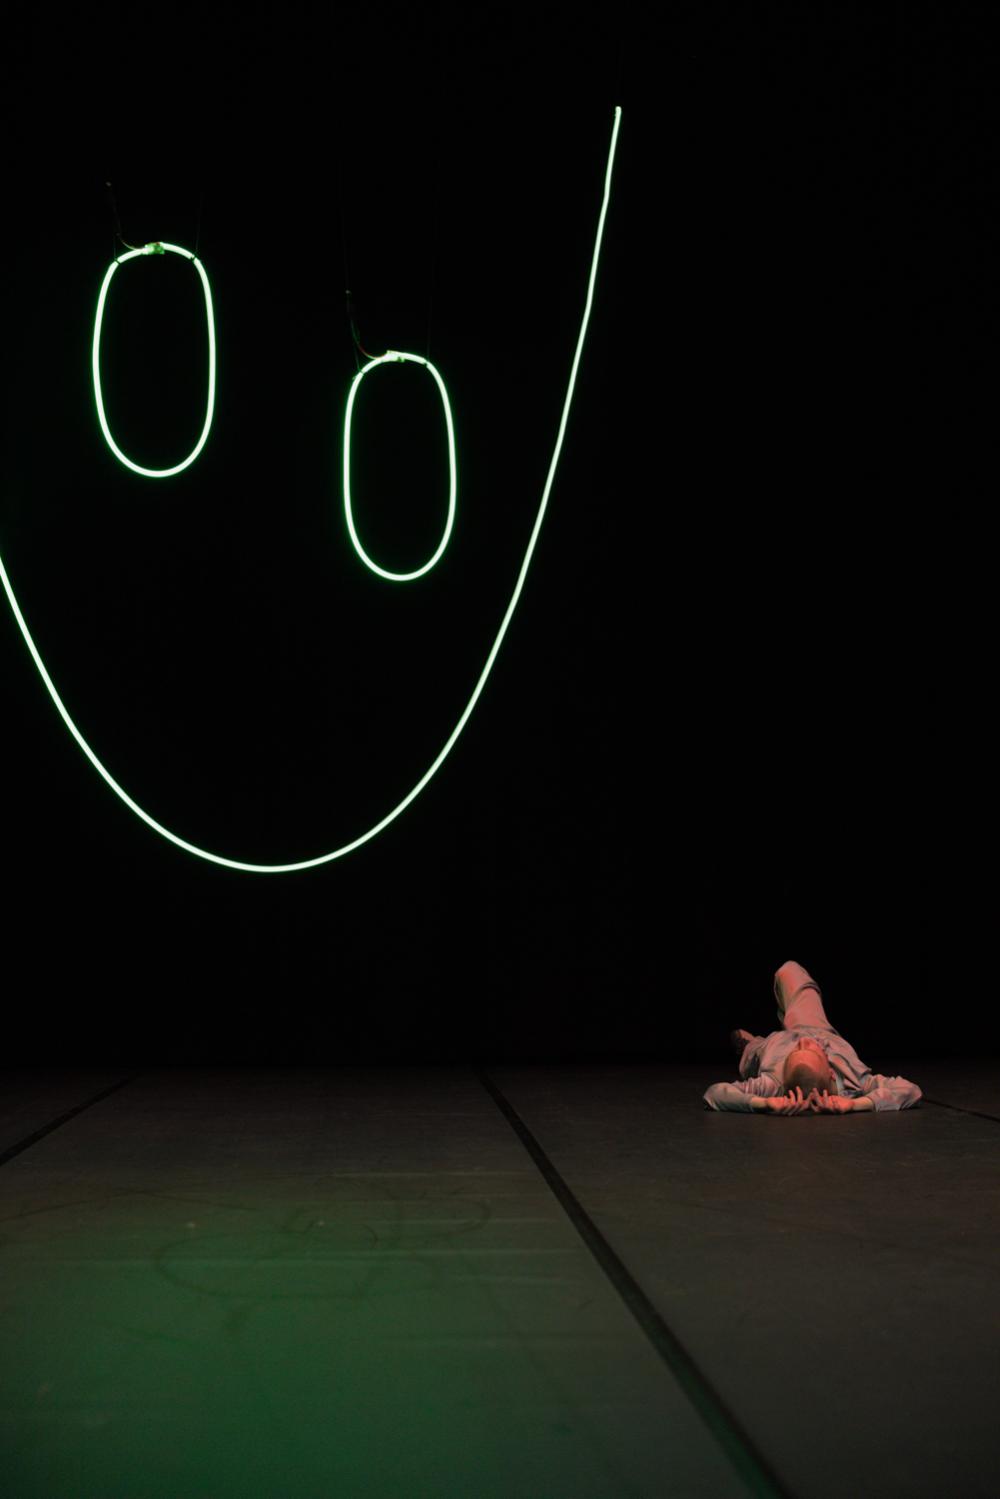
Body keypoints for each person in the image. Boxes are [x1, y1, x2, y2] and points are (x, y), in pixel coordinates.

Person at [703, 960, 923, 1115]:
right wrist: (856, 1105)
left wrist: (764, 1103)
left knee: (753, 1053)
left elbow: (714, 1094)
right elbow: (910, 1090)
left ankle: (749, 1044)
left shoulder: (772, 1084)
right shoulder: (855, 1081)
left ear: (784, 1074)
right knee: (789, 970)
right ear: (830, 1071)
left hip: (772, 1046)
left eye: (796, 1051)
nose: (803, 1041)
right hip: (814, 1027)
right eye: (811, 1050)